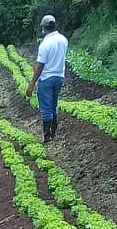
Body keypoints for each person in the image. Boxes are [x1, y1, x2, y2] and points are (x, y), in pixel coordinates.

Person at [25, 15, 68, 143]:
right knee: (54, 105)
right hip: (59, 76)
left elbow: (40, 66)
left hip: (47, 78)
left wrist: (32, 83)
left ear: (44, 28)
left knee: (45, 108)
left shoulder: (45, 44)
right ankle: (53, 133)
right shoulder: (63, 40)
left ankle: (47, 136)